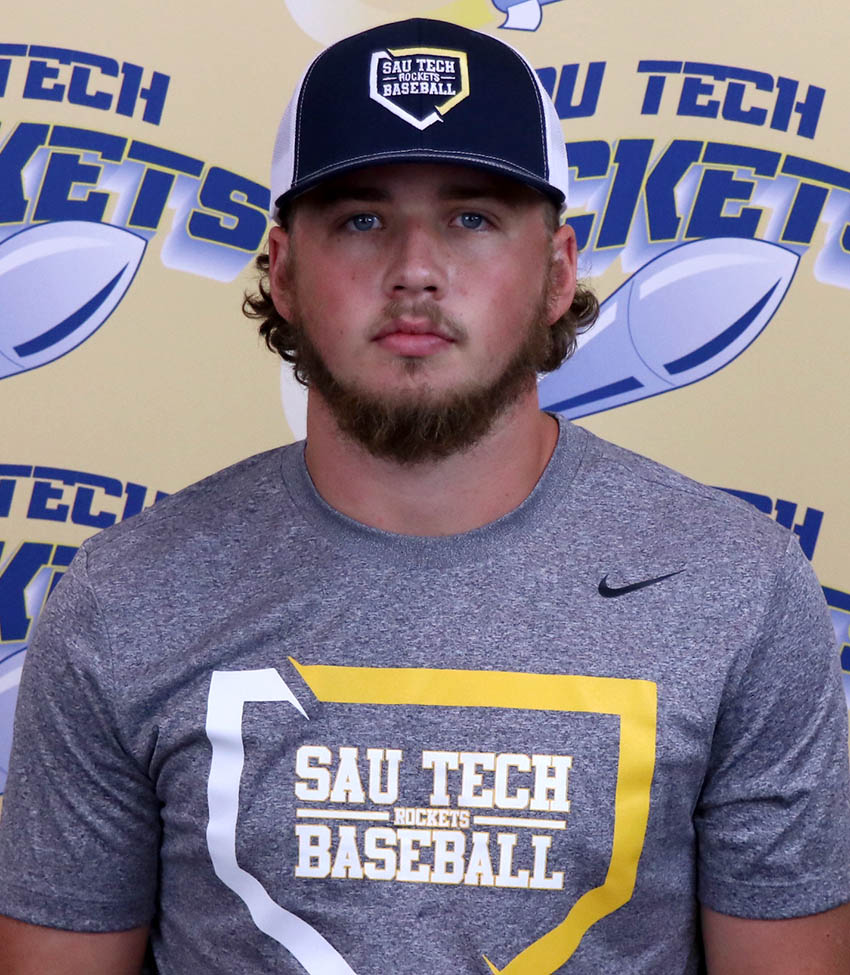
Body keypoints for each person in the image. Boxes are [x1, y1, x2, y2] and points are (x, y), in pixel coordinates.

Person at [0, 17, 848, 975]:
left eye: (472, 218)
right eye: (361, 220)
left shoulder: (736, 588)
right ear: (281, 269)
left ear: (558, 267)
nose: (414, 270)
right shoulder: (126, 598)